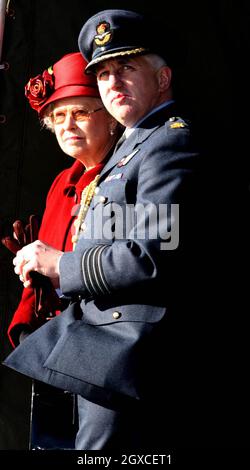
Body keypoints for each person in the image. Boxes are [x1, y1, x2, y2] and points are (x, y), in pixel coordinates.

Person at [4, 10, 203, 450]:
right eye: (103, 73)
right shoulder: (136, 145)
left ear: (163, 77)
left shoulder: (168, 142)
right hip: (94, 351)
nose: (112, 82)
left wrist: (61, 264)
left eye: (127, 68)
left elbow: (151, 255)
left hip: (125, 355)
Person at [2, 51, 121, 449]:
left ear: (110, 117)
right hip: (53, 351)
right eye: (58, 116)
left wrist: (57, 265)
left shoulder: (120, 178)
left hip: (99, 356)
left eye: (82, 113)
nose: (67, 125)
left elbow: (118, 268)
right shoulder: (62, 183)